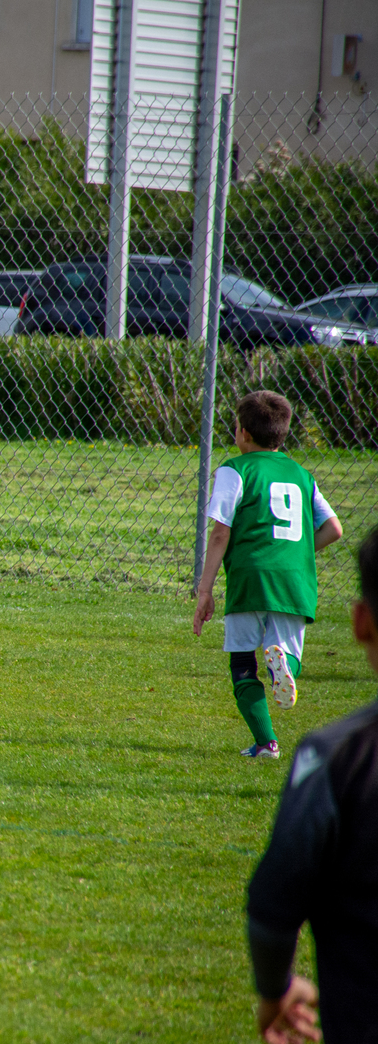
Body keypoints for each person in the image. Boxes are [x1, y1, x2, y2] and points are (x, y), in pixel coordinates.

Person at [245, 525, 378, 1044]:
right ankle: (288, 663)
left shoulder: (336, 758)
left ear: (361, 623)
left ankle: (264, 733)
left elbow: (272, 903)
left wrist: (274, 989)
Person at [193, 391, 343, 760]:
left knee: (243, 662)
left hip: (250, 575)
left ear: (243, 433)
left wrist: (205, 589)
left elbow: (220, 532)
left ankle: (266, 743)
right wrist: (296, 554)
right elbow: (334, 529)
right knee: (287, 653)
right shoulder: (301, 475)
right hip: (293, 579)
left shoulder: (235, 470)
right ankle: (284, 667)